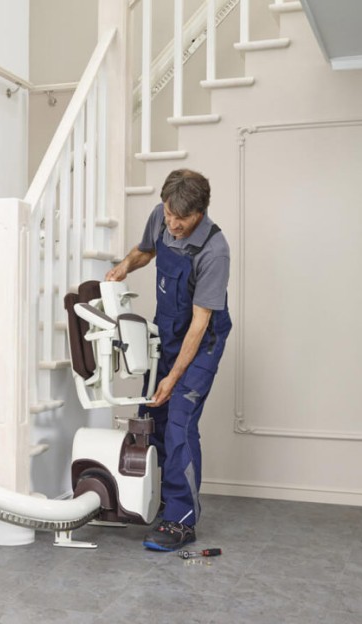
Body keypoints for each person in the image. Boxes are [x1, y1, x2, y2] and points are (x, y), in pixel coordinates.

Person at [106, 169, 232, 551]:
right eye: (168, 213)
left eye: (181, 218)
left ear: (200, 213)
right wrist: (123, 268)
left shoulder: (214, 250)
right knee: (152, 418)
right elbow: (146, 250)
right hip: (166, 334)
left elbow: (199, 325)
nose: (172, 224)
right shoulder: (161, 217)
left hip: (201, 344)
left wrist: (173, 377)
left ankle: (180, 520)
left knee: (179, 421)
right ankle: (158, 499)